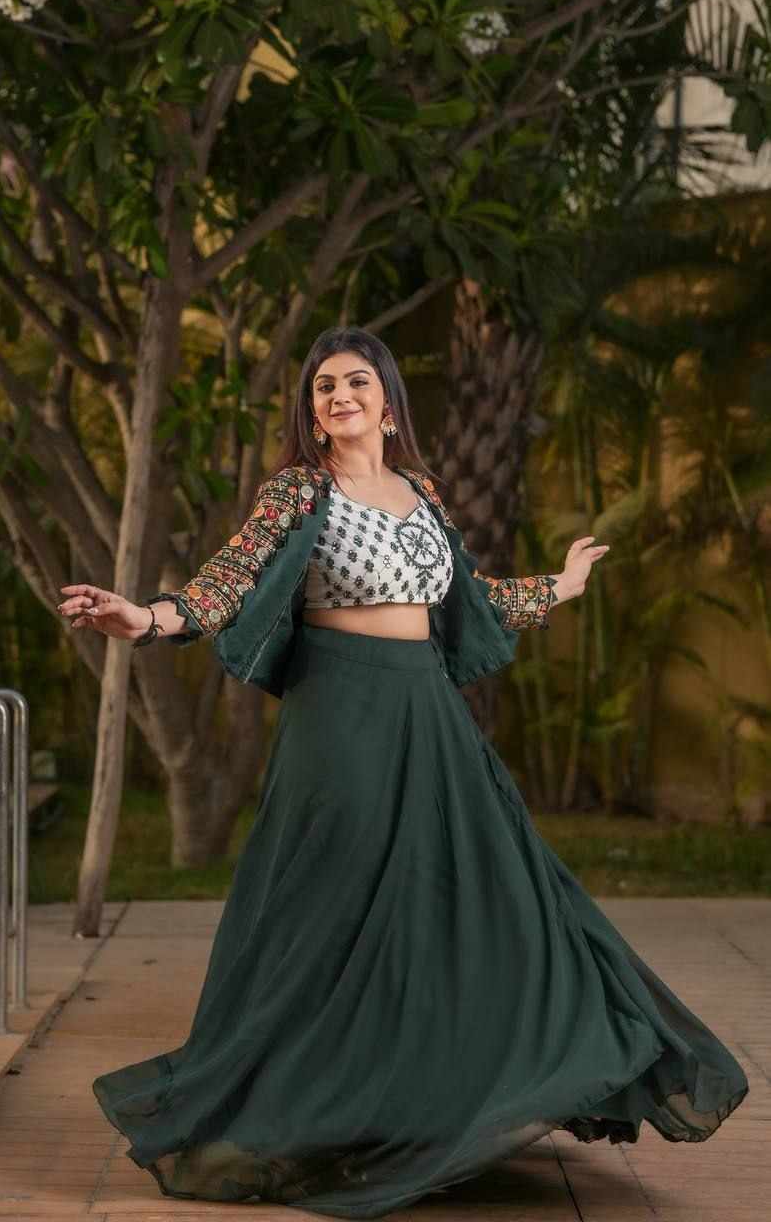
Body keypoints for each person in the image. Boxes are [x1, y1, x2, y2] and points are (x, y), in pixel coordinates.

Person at [58, 327, 748, 1219]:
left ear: (387, 401)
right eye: (322, 387)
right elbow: (227, 582)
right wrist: (147, 619)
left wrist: (558, 586)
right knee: (338, 906)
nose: (337, 396)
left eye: (354, 381)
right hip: (339, 715)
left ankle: (436, 1099)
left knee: (485, 895)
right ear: (313, 413)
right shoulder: (298, 490)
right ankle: (303, 1107)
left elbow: (467, 595)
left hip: (427, 710)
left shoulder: (420, 490)